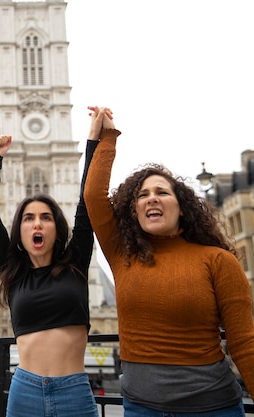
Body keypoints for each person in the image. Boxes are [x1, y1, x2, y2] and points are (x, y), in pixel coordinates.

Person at [84, 110, 254, 416]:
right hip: (141, 408)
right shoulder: (124, 256)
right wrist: (106, 138)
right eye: (143, 195)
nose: (152, 198)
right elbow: (93, 196)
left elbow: (244, 344)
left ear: (183, 207)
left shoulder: (217, 261)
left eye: (162, 192)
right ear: (133, 210)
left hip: (212, 408)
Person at [0, 107, 109, 417]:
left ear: (57, 228)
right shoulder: (14, 273)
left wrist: (94, 141)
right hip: (24, 390)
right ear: (20, 231)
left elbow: (87, 202)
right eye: (28, 218)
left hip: (73, 391)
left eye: (45, 218)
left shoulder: (76, 263)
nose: (37, 224)